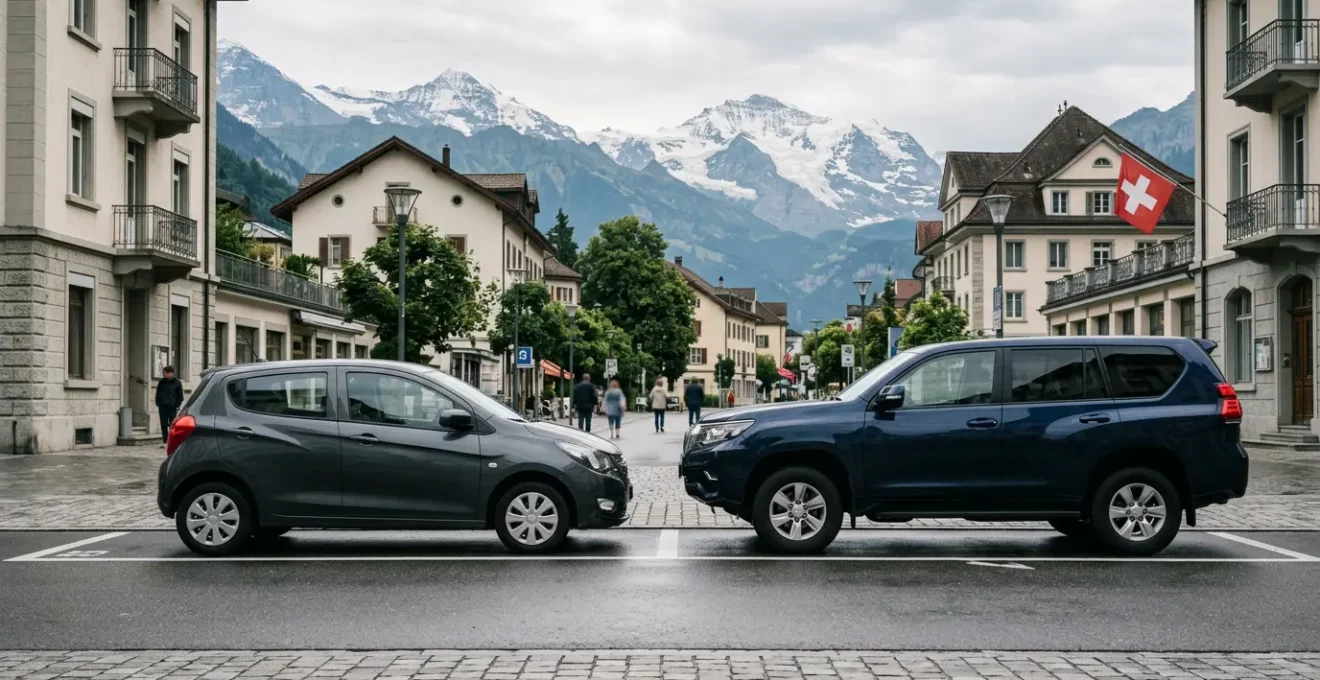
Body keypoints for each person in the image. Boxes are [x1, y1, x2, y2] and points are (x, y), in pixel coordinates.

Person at [155, 365, 184, 444]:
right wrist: (158, 402)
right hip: (162, 405)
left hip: (172, 406)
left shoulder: (177, 383)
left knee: (172, 424)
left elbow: (180, 396)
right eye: (163, 373)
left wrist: (176, 404)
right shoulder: (161, 382)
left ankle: (172, 439)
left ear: (171, 373)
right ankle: (165, 440)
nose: (163, 374)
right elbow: (158, 393)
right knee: (163, 424)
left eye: (165, 373)